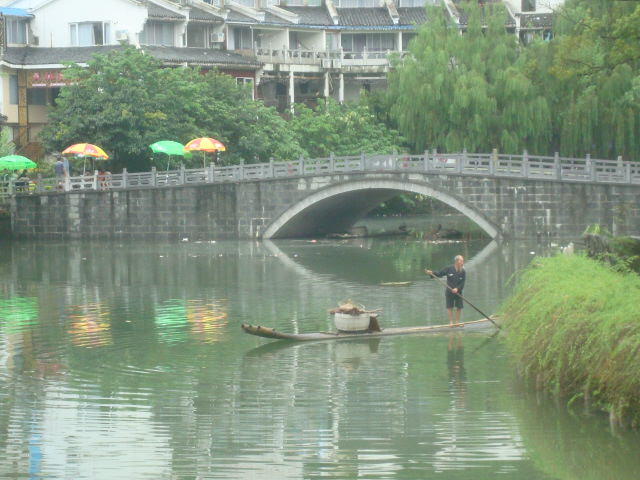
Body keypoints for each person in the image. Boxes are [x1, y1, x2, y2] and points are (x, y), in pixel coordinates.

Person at [425, 255, 466, 327]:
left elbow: (462, 283)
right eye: (461, 261)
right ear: (457, 261)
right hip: (449, 291)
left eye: (463, 261)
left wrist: (457, 289)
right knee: (450, 307)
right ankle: (450, 322)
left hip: (458, 292)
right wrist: (432, 273)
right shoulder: (449, 268)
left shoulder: (463, 271)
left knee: (459, 307)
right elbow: (440, 273)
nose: (463, 262)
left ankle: (457, 322)